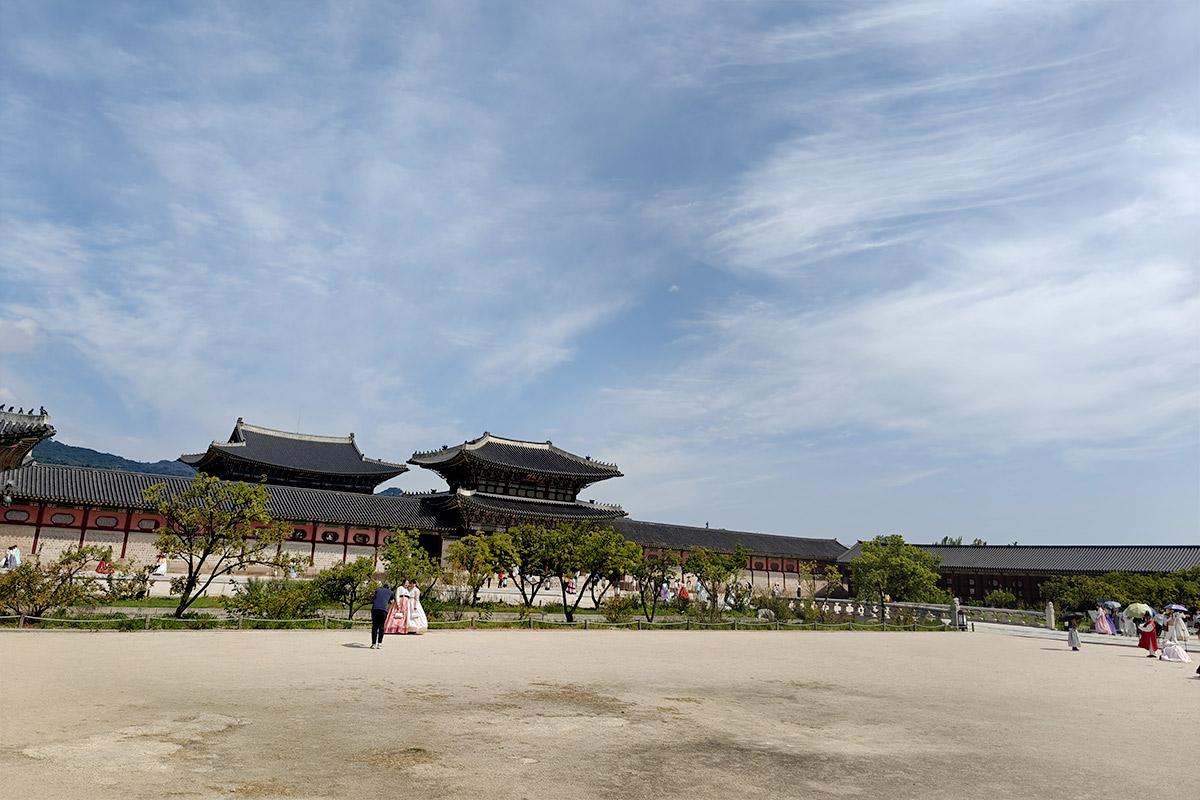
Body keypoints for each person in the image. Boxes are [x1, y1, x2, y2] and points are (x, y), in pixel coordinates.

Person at [370, 583, 394, 649]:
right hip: (383, 610)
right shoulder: (391, 592)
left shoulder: (378, 590)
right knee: (381, 626)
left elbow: (373, 598)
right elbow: (392, 601)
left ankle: (373, 644)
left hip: (375, 609)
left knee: (374, 627)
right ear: (388, 588)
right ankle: (379, 644)